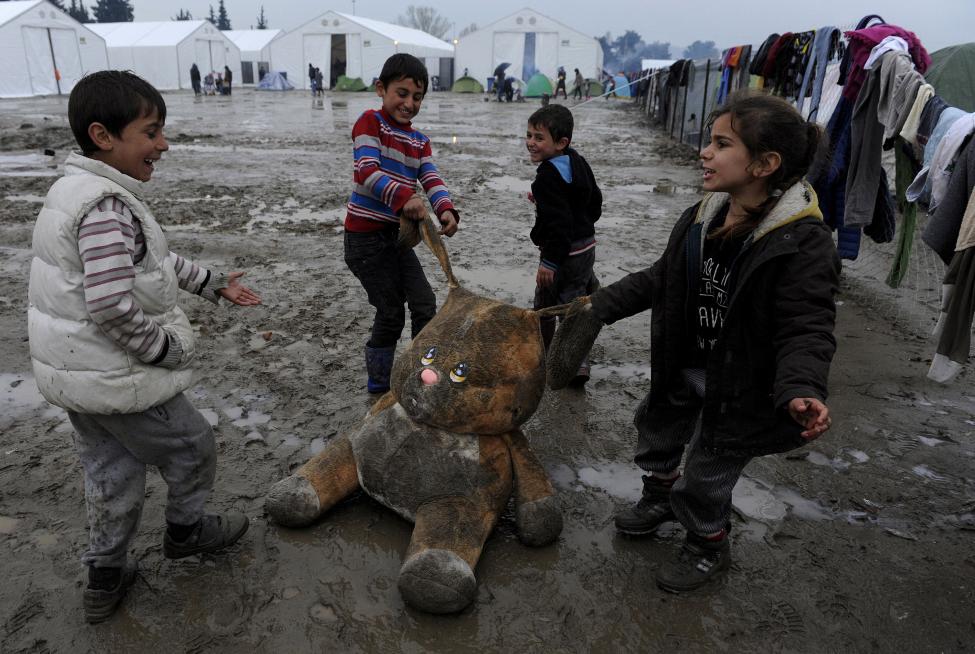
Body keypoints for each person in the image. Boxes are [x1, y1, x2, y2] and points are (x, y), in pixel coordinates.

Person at [573, 90, 838, 593]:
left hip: (741, 384)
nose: (704, 152)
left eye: (721, 144)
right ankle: (658, 494)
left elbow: (806, 325)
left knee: (709, 472)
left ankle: (706, 542)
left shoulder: (802, 244)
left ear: (765, 163)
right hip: (686, 360)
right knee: (657, 429)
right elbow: (664, 277)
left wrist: (802, 387)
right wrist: (601, 305)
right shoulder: (705, 216)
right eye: (709, 142)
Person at [27, 70, 262, 623]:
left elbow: (149, 263)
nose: (163, 144)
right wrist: (162, 350)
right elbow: (111, 305)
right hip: (120, 377)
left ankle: (104, 575)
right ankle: (186, 531)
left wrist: (211, 282)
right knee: (193, 444)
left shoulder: (74, 191)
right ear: (104, 137)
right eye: (152, 132)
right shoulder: (107, 208)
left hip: (78, 379)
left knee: (110, 472)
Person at [343, 53, 460, 393]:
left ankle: (419, 373)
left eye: (417, 97)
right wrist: (403, 197)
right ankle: (379, 384)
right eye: (402, 93)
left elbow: (431, 177)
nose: (409, 103)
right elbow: (366, 171)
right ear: (381, 89)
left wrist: (445, 210)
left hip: (396, 240)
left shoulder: (419, 142)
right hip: (364, 242)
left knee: (425, 303)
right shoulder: (370, 123)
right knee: (391, 312)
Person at [526, 104, 601, 383]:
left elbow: (558, 225)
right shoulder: (576, 161)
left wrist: (549, 262)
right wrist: (585, 222)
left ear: (561, 142)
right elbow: (594, 200)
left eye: (539, 138)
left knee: (545, 304)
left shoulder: (546, 176)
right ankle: (578, 362)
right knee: (575, 301)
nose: (531, 143)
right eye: (529, 135)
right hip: (586, 247)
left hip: (562, 254)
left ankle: (543, 355)